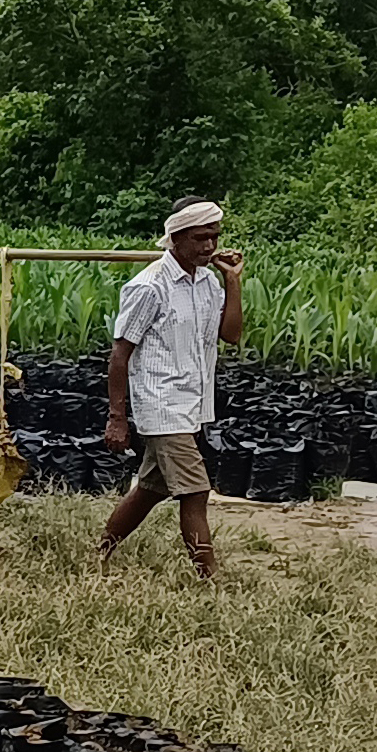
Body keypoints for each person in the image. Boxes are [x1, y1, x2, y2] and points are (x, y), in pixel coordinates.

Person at [100, 198, 247, 581]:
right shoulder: (149, 286)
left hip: (193, 405)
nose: (210, 247)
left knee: (149, 490)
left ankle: (99, 551)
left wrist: (232, 280)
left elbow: (230, 335)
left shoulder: (207, 283)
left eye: (214, 237)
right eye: (200, 238)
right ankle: (209, 579)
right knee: (195, 493)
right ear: (175, 238)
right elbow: (120, 354)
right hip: (162, 406)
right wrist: (118, 417)